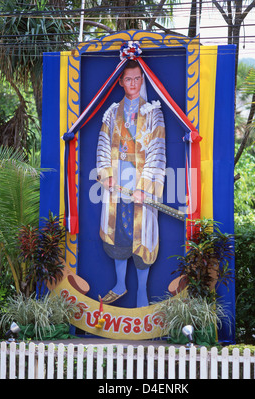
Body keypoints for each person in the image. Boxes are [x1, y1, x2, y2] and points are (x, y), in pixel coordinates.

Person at [96, 60, 166, 307]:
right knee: (119, 236)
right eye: (128, 79)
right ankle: (120, 284)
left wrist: (144, 187)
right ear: (120, 81)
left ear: (142, 81)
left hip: (140, 187)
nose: (133, 84)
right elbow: (103, 144)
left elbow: (157, 150)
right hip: (116, 188)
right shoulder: (111, 112)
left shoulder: (154, 112)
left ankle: (142, 292)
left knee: (142, 237)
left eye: (137, 79)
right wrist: (107, 175)